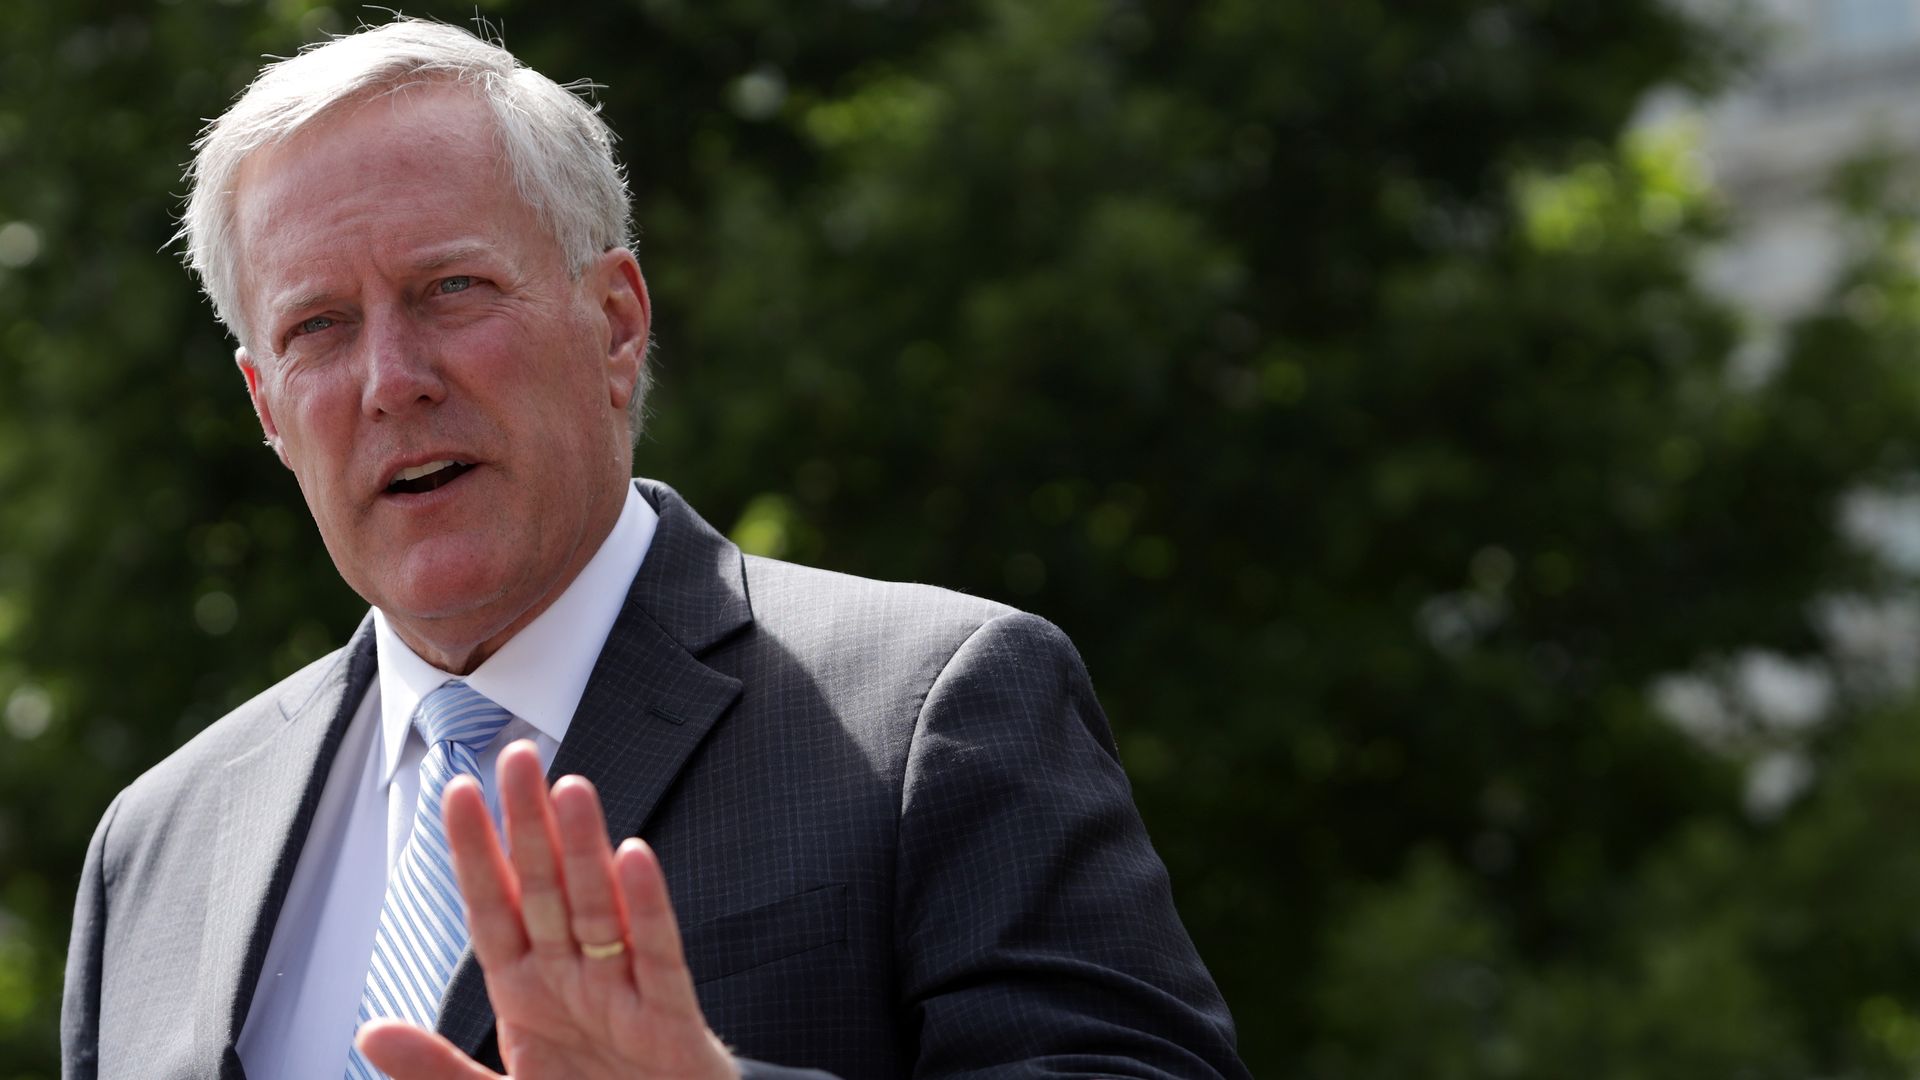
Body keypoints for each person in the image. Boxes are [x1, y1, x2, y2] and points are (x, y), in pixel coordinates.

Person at [60, 18, 1247, 1080]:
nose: (391, 382)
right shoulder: (157, 848)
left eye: (451, 290)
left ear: (616, 323)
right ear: (267, 407)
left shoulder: (934, 711)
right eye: (319, 327)